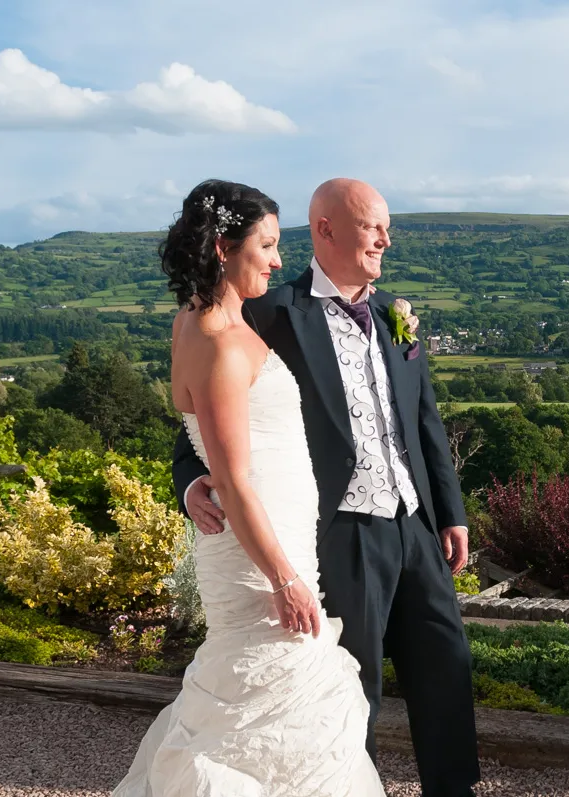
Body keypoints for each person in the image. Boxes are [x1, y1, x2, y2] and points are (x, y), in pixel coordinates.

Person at [174, 178, 480, 797]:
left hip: (415, 524)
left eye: (386, 228)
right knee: (347, 683)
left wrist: (451, 511)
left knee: (446, 667)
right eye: (372, 227)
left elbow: (424, 417)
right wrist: (190, 485)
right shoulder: (266, 311)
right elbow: (199, 429)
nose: (386, 240)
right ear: (326, 229)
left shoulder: (396, 313)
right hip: (336, 531)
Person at [113, 179, 385, 797]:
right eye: (266, 244)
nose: (279, 258)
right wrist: (284, 580)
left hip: (276, 537)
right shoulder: (219, 342)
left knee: (271, 701)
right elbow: (234, 481)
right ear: (221, 247)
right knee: (274, 689)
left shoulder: (199, 322)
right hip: (258, 556)